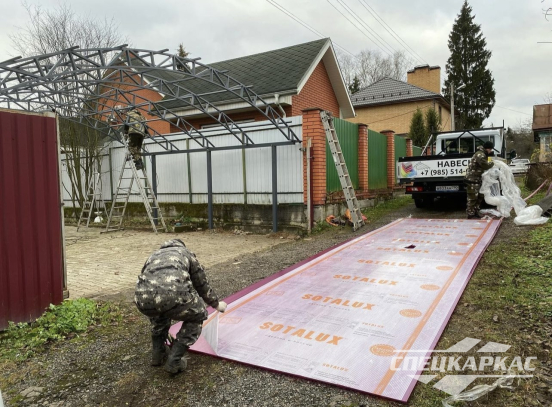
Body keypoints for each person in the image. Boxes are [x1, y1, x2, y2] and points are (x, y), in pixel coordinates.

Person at [134, 239, 227, 374]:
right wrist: (216, 304)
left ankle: (158, 354)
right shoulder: (186, 253)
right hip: (172, 295)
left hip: (142, 299)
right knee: (199, 313)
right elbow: (201, 284)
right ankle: (175, 359)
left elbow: (149, 280)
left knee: (160, 312)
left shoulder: (153, 256)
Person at [464, 140, 495, 219]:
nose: (490, 151)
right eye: (490, 149)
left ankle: (475, 211)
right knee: (473, 197)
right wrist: (491, 159)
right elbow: (486, 166)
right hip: (472, 179)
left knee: (479, 196)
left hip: (478, 179)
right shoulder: (480, 155)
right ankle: (470, 213)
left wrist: (489, 157)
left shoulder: (483, 154)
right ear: (487, 148)